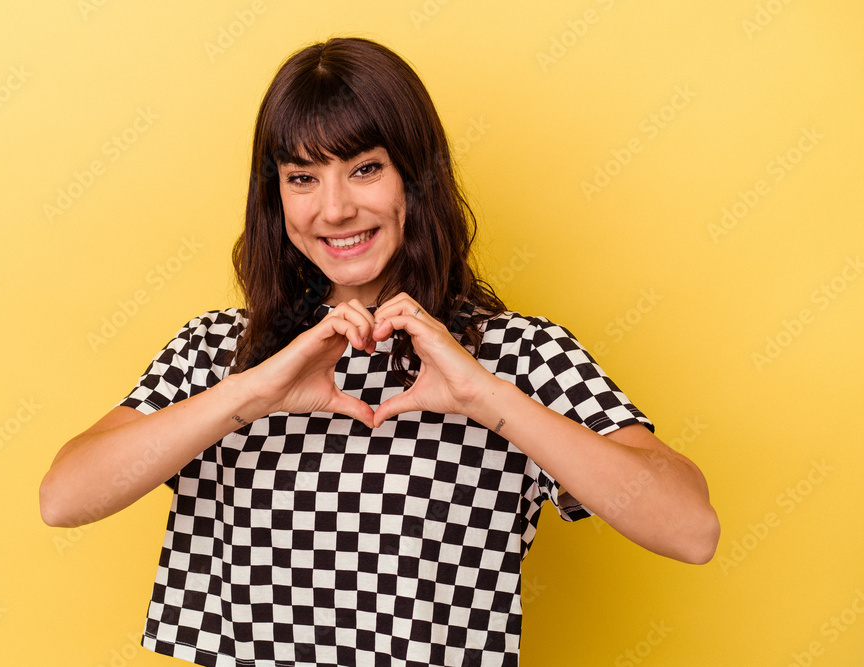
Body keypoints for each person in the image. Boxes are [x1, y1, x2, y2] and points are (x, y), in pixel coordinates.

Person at [40, 36, 719, 667]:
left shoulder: (514, 353)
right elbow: (64, 497)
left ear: (416, 179)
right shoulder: (219, 349)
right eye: (302, 177)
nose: (334, 209)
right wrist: (249, 393)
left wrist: (484, 396)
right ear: (275, 197)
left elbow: (691, 529)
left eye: (365, 169)